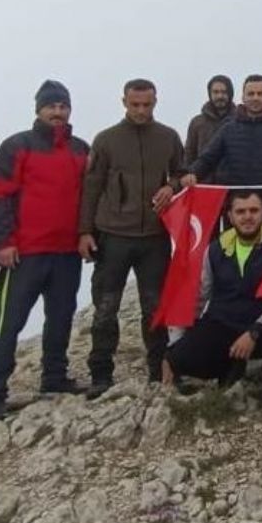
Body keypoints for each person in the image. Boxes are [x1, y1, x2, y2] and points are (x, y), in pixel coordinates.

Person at [0, 80, 90, 419]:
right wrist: (5, 242)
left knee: (60, 319)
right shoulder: (17, 146)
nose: (57, 112)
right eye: (51, 106)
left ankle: (54, 378)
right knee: (7, 323)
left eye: (63, 106)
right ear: (39, 109)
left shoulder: (80, 149)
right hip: (24, 253)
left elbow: (89, 195)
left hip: (66, 252)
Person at [79, 79, 185, 393]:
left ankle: (158, 370)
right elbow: (91, 187)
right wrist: (85, 231)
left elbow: (182, 171)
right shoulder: (106, 140)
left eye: (147, 104)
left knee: (155, 308)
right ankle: (100, 375)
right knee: (106, 306)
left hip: (154, 236)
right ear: (123, 102)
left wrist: (173, 186)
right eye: (135, 104)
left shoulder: (168, 137)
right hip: (113, 235)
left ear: (156, 101)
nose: (141, 110)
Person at [163, 191, 262, 388]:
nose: (247, 217)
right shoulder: (215, 249)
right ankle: (230, 366)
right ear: (230, 216)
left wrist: (254, 332)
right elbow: (199, 297)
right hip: (223, 323)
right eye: (240, 211)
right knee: (181, 358)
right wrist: (175, 347)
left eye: (254, 210)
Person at [182, 74, 262, 229]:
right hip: (236, 210)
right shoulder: (228, 129)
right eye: (251, 94)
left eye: (260, 94)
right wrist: (192, 173)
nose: (255, 98)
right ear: (243, 97)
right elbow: (207, 159)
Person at [184, 74, 234, 175]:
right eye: (215, 92)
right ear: (209, 94)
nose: (220, 96)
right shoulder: (197, 123)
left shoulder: (238, 122)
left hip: (232, 185)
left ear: (230, 94)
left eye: (224, 92)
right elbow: (188, 156)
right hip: (203, 184)